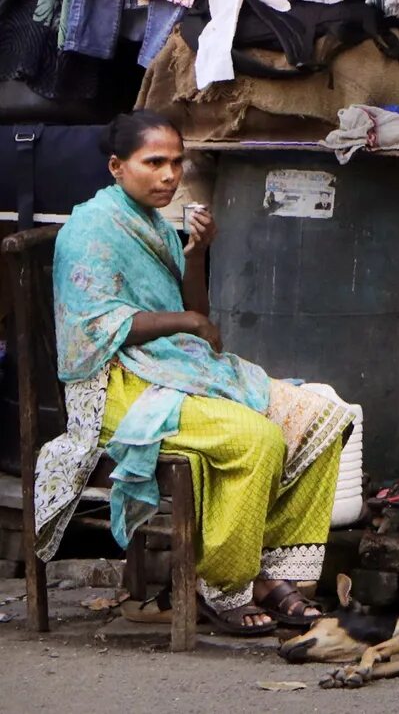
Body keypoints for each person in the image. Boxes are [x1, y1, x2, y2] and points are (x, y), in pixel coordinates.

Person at [33, 110, 357, 635]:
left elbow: (195, 310)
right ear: (117, 166)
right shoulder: (88, 229)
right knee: (256, 437)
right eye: (154, 162)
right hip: (118, 388)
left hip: (174, 370)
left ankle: (274, 577)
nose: (169, 175)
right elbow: (96, 327)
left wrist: (198, 253)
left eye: (177, 162)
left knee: (323, 415)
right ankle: (222, 584)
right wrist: (187, 320)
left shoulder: (156, 222)